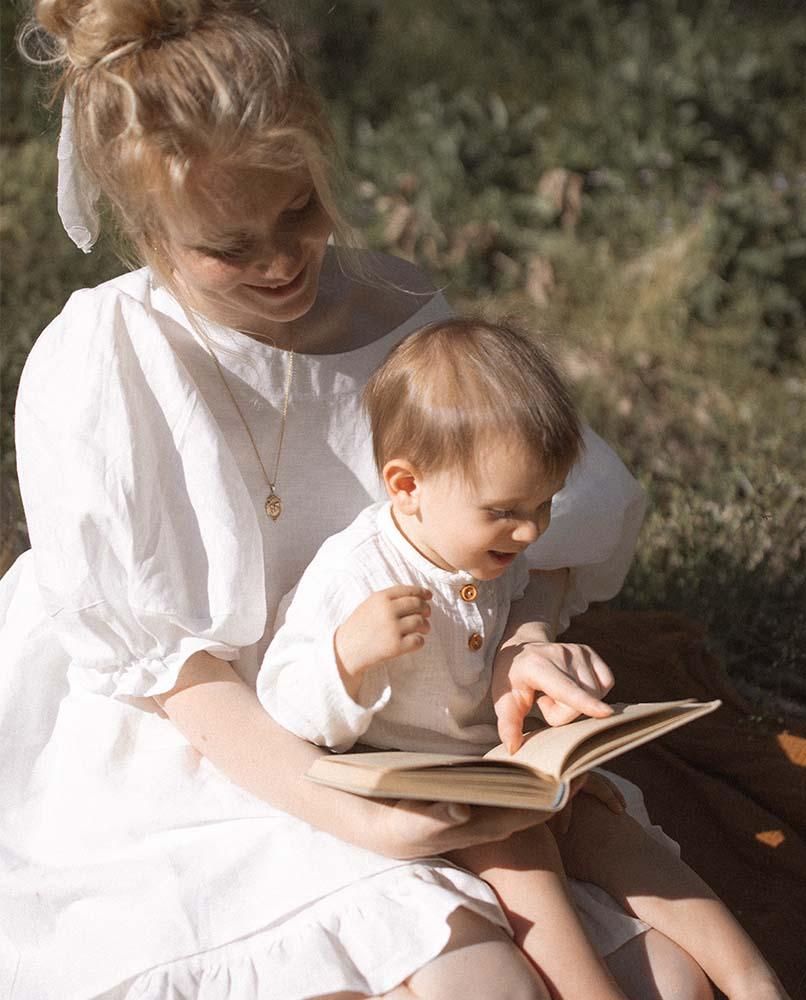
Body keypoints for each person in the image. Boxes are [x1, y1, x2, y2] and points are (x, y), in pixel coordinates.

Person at [1, 2, 694, 998]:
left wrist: (517, 643)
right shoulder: (103, 367)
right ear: (147, 227)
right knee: (468, 973)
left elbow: (512, 541)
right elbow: (177, 677)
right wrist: (356, 818)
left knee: (668, 973)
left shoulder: (397, 319)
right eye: (229, 248)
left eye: (298, 212)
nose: (282, 263)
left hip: (408, 725)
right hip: (202, 743)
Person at [257, 317, 792, 1000]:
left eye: (543, 504)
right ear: (406, 487)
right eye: (507, 510)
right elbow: (282, 699)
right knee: (516, 842)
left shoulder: (490, 550)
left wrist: (545, 685)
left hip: (495, 764)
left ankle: (752, 978)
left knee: (603, 821)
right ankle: (589, 989)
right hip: (413, 784)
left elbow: (514, 621)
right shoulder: (356, 576)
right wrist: (347, 656)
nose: (532, 529)